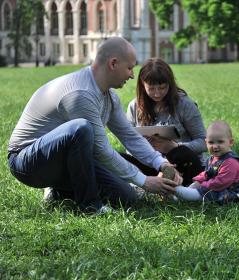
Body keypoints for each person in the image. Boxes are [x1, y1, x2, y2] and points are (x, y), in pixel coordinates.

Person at [7, 37, 181, 214]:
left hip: (64, 161)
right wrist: (144, 181)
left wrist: (161, 163)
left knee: (127, 196)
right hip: (27, 163)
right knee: (80, 129)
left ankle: (60, 191)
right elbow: (102, 150)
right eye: (129, 68)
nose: (132, 75)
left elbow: (130, 136)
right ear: (113, 63)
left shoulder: (109, 97)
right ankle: (90, 206)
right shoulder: (81, 94)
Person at [124, 57, 206, 186]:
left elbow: (203, 142)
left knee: (180, 153)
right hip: (152, 163)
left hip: (183, 164)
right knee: (119, 158)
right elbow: (129, 142)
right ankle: (152, 184)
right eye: (151, 88)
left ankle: (177, 185)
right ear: (142, 85)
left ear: (170, 84)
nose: (157, 94)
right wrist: (145, 149)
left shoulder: (185, 104)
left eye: (162, 88)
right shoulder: (134, 106)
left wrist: (174, 147)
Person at [174, 120, 239, 205]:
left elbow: (221, 182)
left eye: (220, 142)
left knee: (213, 195)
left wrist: (203, 185)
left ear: (230, 142)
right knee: (200, 186)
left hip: (231, 193)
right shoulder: (212, 158)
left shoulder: (231, 162)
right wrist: (198, 181)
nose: (215, 146)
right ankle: (183, 194)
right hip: (216, 187)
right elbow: (207, 173)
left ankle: (185, 193)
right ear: (206, 143)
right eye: (211, 142)